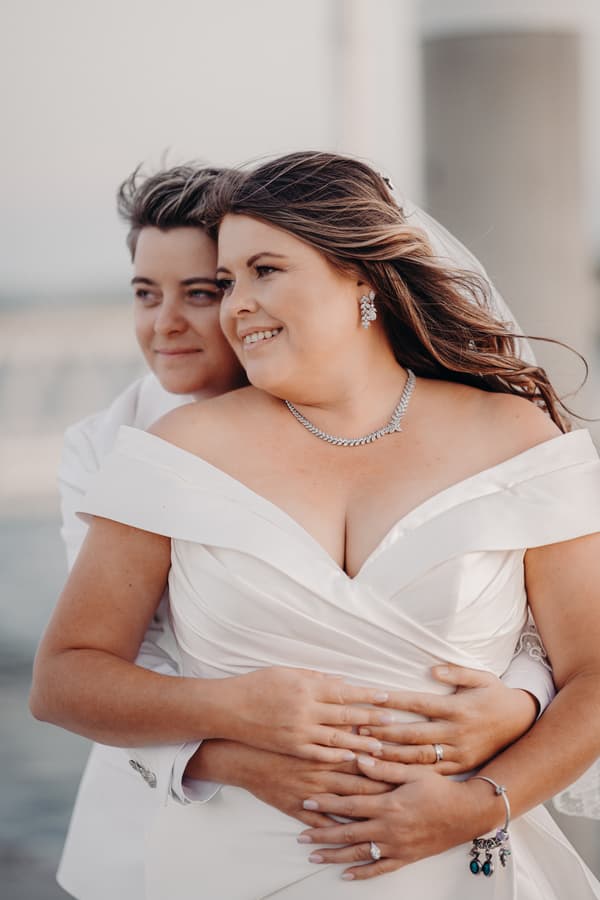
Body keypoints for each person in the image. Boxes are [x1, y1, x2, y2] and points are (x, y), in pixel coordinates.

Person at [31, 152, 600, 898]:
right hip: (229, 862)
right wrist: (237, 711)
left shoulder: (514, 437)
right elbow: (67, 678)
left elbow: (592, 669)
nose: (236, 305)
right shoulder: (172, 452)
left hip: (463, 867)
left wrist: (475, 801)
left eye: (264, 271)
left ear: (361, 276)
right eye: (228, 281)